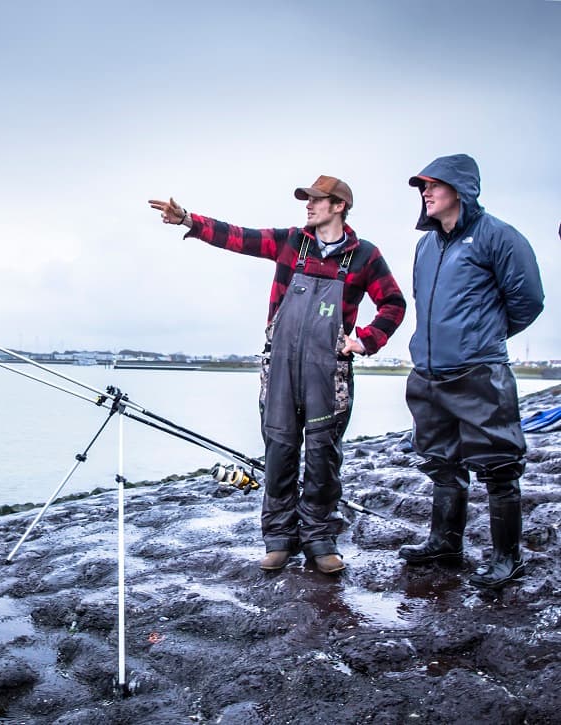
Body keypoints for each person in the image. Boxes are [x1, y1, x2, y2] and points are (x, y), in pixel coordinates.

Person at [148, 177, 405, 574]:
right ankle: (279, 539)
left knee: (323, 457)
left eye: (317, 200)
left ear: (339, 206)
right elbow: (239, 237)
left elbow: (393, 303)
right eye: (308, 200)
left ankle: (320, 539)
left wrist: (365, 341)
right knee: (280, 453)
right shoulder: (291, 242)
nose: (308, 206)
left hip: (328, 371)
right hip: (280, 366)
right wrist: (187, 220)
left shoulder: (364, 256)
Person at [398, 154, 544, 589]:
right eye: (421, 186)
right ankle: (445, 541)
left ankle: (507, 557)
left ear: (460, 189)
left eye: (433, 185)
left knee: (499, 464)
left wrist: (484, 338)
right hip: (427, 372)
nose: (425, 192)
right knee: (440, 461)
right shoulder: (426, 245)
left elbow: (528, 300)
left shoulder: (498, 236)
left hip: (479, 371)